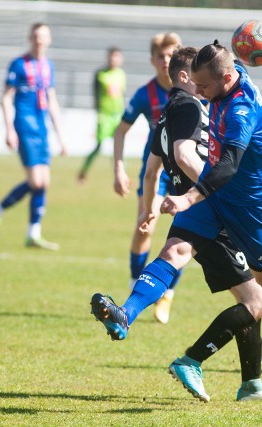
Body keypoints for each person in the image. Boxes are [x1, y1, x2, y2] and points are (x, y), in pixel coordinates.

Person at [91, 46, 262, 402]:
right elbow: (185, 154)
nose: (201, 90)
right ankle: (194, 361)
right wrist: (205, 192)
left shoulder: (166, 114)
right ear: (185, 77)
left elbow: (152, 169)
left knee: (177, 254)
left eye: (206, 82)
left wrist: (146, 208)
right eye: (196, 81)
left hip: (195, 203)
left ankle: (128, 314)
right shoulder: (187, 106)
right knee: (258, 299)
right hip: (212, 204)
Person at [112, 32, 183, 324]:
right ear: (153, 60)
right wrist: (118, 168)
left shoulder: (193, 87)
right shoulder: (146, 94)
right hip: (153, 172)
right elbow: (120, 131)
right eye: (161, 56)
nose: (166, 61)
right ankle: (134, 283)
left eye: (171, 56)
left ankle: (167, 294)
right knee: (145, 227)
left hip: (186, 175)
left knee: (187, 235)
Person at [0, 22, 67, 250]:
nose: (40, 40)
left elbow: (52, 100)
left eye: (44, 37)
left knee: (43, 182)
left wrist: (61, 137)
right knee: (37, 182)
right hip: (24, 126)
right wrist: (9, 128)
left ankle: (33, 233)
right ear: (30, 38)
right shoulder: (18, 64)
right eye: (36, 36)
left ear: (49, 40)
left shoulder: (48, 65)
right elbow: (6, 98)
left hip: (42, 128)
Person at [78, 47, 126, 184]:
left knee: (119, 146)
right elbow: (95, 96)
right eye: (111, 56)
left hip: (118, 115)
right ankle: (83, 172)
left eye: (116, 56)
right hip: (104, 115)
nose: (113, 59)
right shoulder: (100, 74)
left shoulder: (121, 74)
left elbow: (121, 95)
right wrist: (97, 114)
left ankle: (121, 175)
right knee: (99, 147)